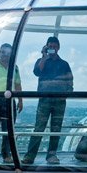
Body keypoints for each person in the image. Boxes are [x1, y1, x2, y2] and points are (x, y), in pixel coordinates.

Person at [23, 36, 73, 165]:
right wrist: (44, 57)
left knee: (56, 129)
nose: (52, 48)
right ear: (46, 47)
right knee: (39, 127)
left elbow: (70, 80)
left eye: (54, 46)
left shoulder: (64, 64)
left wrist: (66, 94)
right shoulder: (41, 61)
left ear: (58, 48)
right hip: (44, 100)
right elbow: (37, 72)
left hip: (59, 101)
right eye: (50, 46)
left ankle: (51, 155)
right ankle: (30, 156)